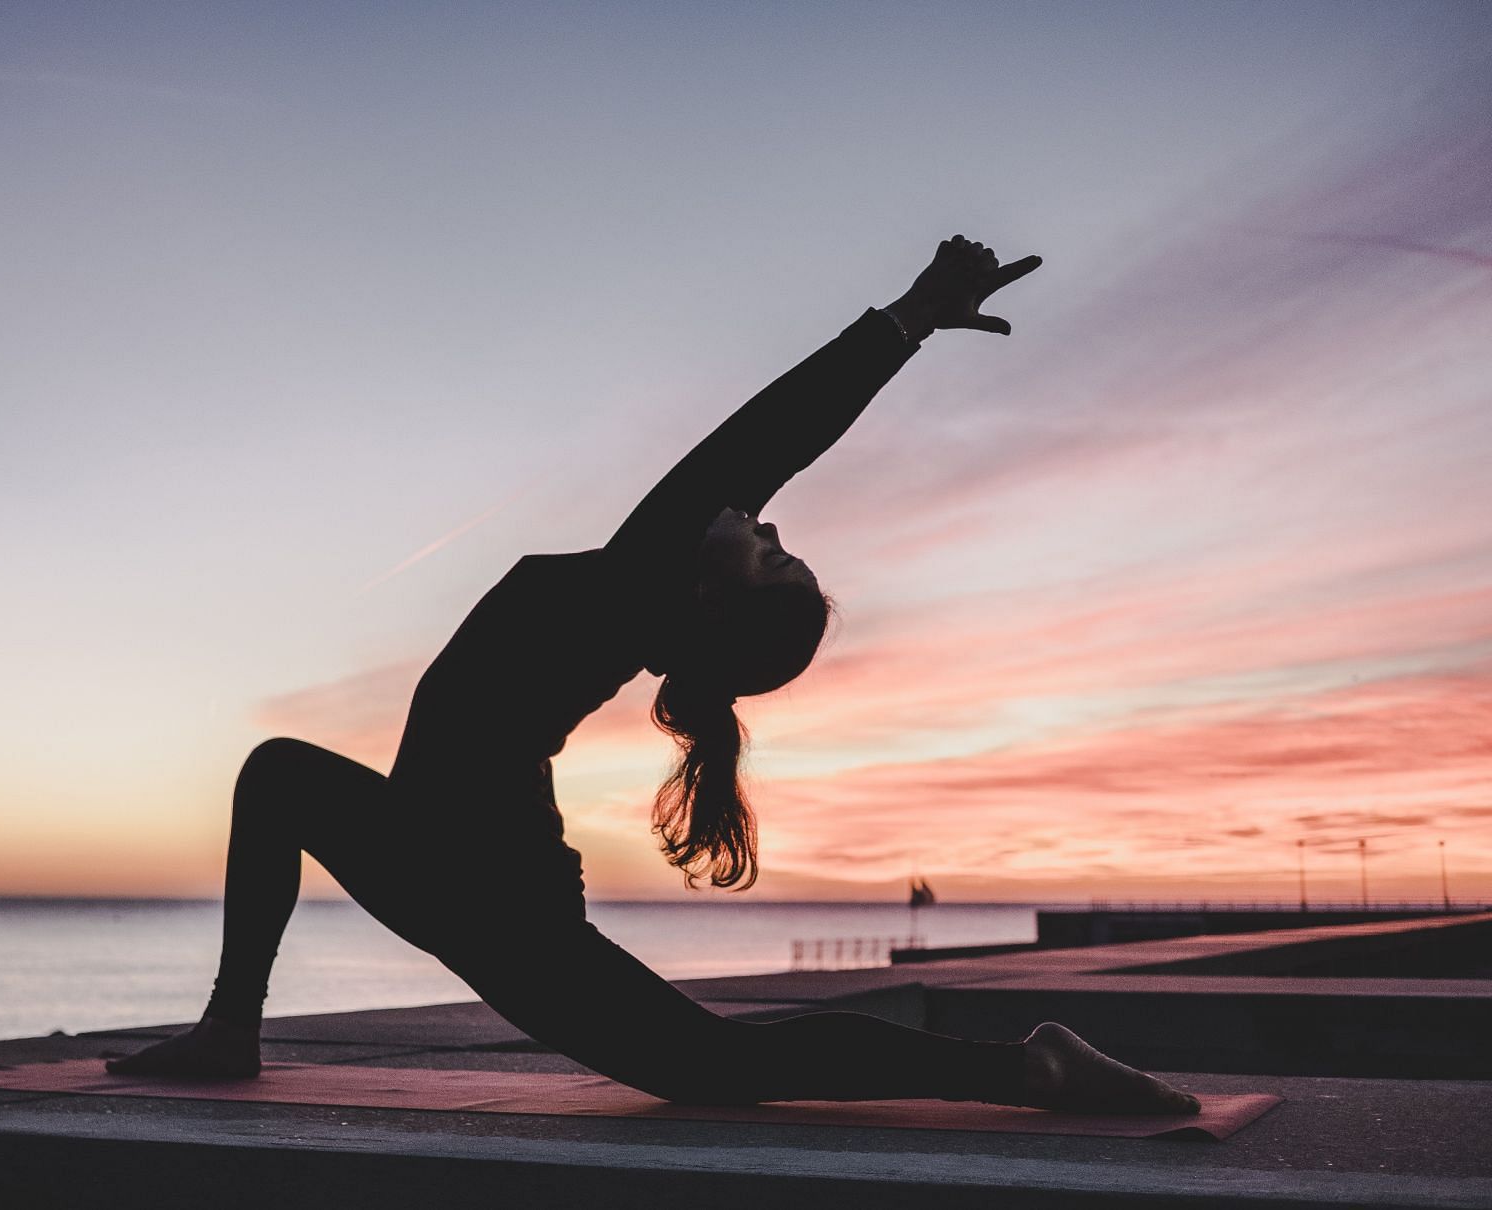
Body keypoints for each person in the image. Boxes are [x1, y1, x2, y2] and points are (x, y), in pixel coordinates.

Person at [110, 236, 1200, 1114]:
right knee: (278, 774)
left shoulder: (643, 582)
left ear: (714, 602)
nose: (763, 520)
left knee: (716, 1070)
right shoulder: (639, 598)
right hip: (437, 854)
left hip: (488, 892)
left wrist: (908, 319)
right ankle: (231, 1027)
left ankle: (1024, 1067)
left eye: (771, 550)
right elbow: (761, 458)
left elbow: (768, 436)